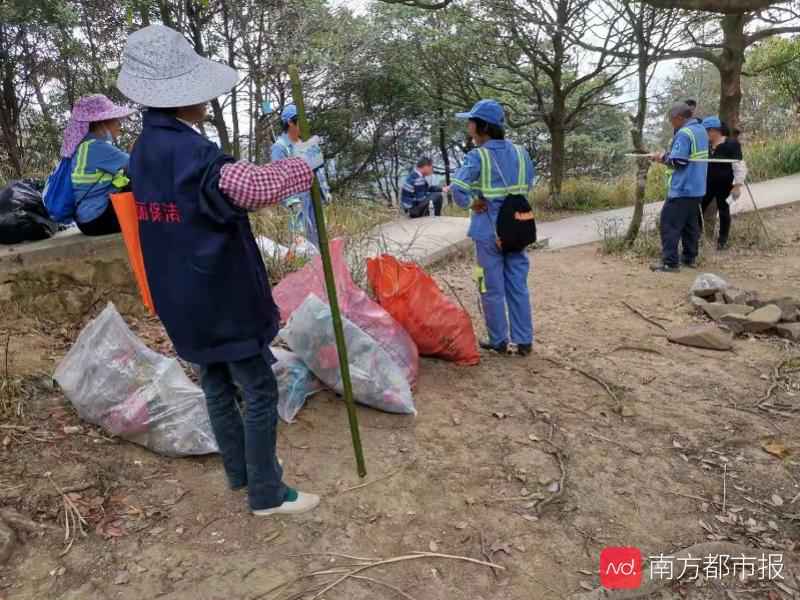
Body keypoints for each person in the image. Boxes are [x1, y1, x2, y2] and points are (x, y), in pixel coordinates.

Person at [117, 24, 322, 516]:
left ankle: (238, 472)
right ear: (182, 97)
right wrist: (302, 165)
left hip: (180, 295)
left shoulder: (143, 149)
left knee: (214, 380)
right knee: (256, 386)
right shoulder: (192, 151)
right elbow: (248, 188)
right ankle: (267, 493)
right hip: (221, 294)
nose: (206, 99)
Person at [446, 100, 535, 356]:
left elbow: (458, 189)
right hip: (518, 228)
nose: (468, 126)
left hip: (488, 234)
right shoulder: (521, 153)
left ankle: (498, 340)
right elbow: (528, 183)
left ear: (482, 126)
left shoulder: (478, 156)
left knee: (489, 286)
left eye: (470, 122)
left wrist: (473, 203)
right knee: (518, 285)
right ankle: (524, 340)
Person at [61, 94, 135, 236]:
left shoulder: (84, 146)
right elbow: (139, 166)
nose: (119, 125)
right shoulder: (97, 147)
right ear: (102, 123)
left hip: (87, 220)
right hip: (97, 219)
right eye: (116, 121)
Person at [649, 102, 709, 272]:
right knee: (691, 226)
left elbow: (679, 161)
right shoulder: (701, 130)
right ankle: (689, 258)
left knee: (669, 224)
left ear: (679, 118)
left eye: (671, 120)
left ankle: (670, 263)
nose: (671, 123)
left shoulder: (684, 133)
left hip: (682, 188)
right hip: (697, 188)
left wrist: (661, 158)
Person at [271, 104, 331, 246]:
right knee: (304, 245)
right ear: (290, 122)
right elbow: (280, 180)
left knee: (320, 239)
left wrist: (326, 190)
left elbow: (319, 170)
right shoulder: (280, 147)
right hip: (298, 204)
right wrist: (292, 203)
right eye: (301, 120)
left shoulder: (306, 142)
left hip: (315, 198)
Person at [701, 116, 744, 250]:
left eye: (706, 131)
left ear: (715, 130)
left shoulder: (732, 144)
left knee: (724, 211)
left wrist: (737, 186)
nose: (704, 134)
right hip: (707, 184)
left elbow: (739, 166)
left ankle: (722, 241)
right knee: (698, 210)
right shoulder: (705, 145)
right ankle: (696, 239)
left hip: (725, 185)